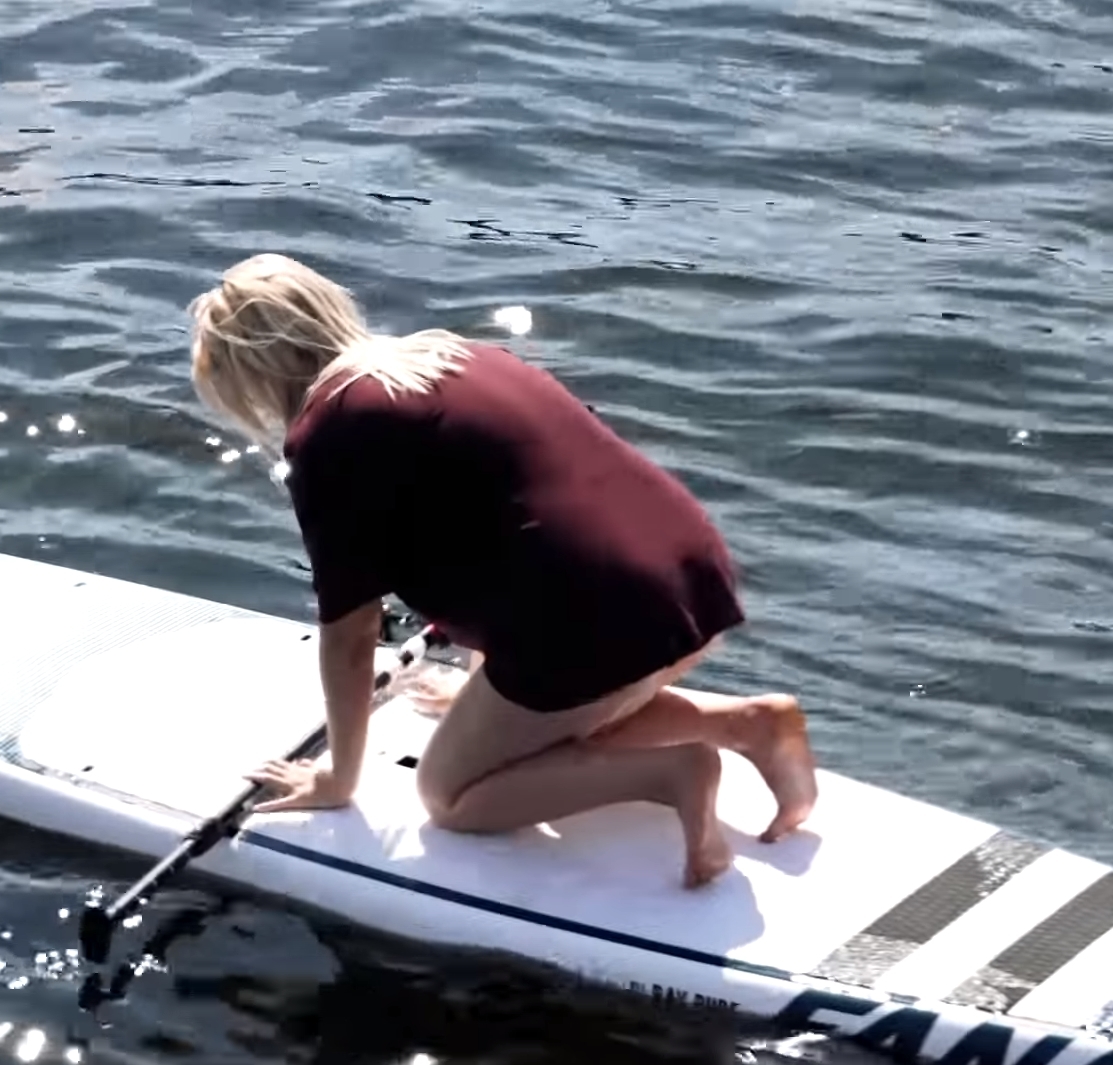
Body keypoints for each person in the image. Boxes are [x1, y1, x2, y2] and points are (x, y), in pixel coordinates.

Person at [188, 253, 817, 889]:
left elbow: (352, 638)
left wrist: (337, 779)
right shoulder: (457, 355)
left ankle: (674, 770)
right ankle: (747, 723)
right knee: (545, 701)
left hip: (603, 616)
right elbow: (527, 523)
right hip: (691, 575)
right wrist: (479, 698)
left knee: (449, 794)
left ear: (251, 375)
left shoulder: (328, 435)